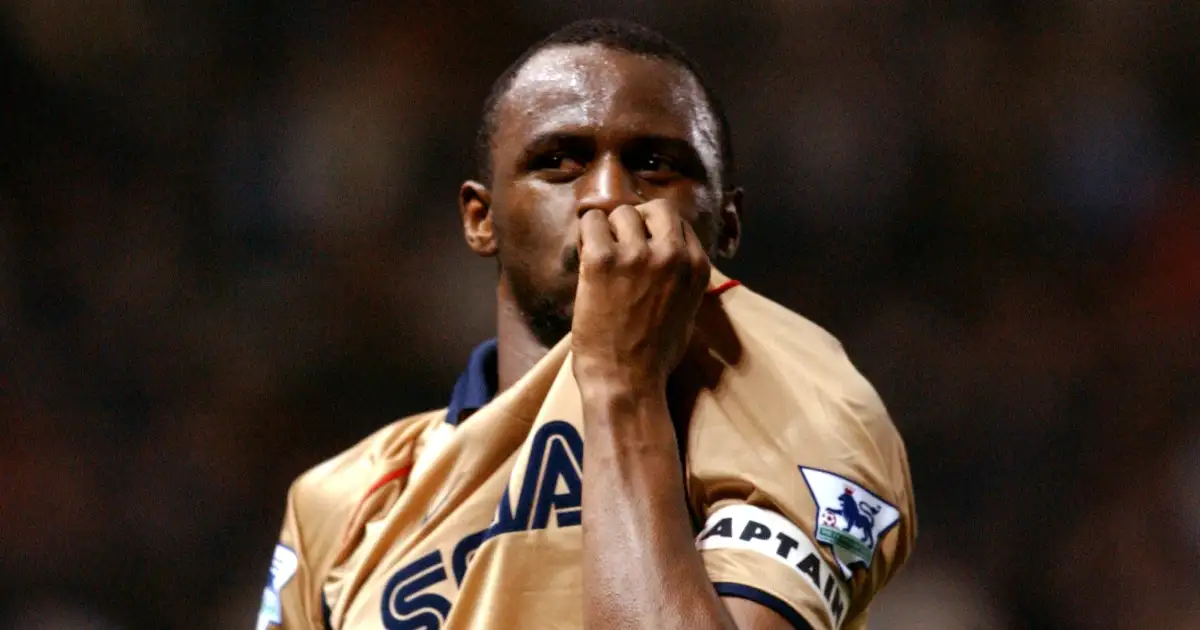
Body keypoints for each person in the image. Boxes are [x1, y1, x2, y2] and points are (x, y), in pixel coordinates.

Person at [257, 18, 915, 630]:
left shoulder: (802, 402)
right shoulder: (342, 504)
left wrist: (621, 385)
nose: (607, 194)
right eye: (558, 161)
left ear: (728, 224)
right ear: (480, 219)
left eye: (656, 163)